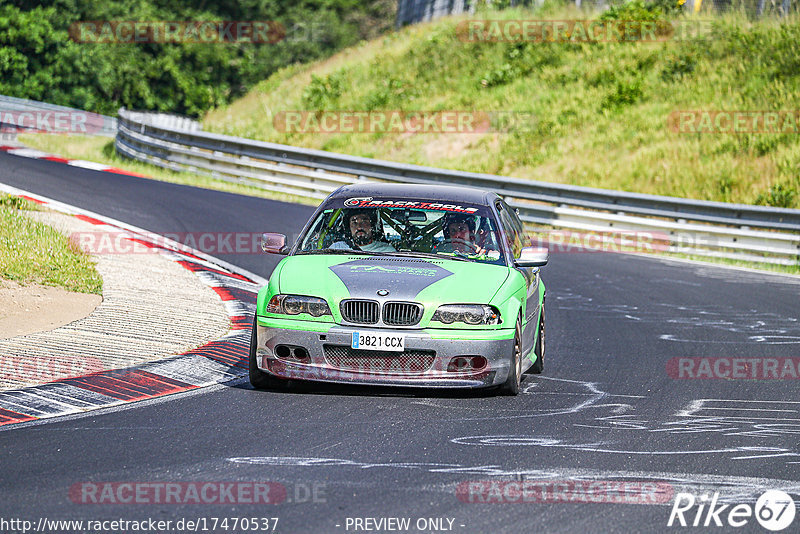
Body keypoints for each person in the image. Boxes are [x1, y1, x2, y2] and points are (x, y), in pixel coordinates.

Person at [330, 209, 396, 252]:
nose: (359, 227)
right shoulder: (337, 248)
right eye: (354, 222)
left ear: (372, 225)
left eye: (364, 222)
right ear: (349, 227)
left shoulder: (387, 251)